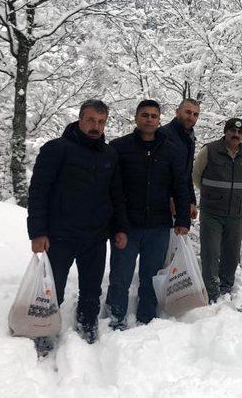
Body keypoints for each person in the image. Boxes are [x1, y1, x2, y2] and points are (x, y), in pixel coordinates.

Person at [27, 99, 129, 349]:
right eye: (91, 120)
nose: (96, 126)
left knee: (91, 289)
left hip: (95, 236)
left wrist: (120, 227)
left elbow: (116, 194)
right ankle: (44, 330)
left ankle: (87, 323)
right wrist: (38, 232)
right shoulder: (57, 149)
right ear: (80, 119)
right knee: (54, 290)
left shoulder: (109, 155)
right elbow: (38, 192)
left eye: (101, 122)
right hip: (60, 235)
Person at [105, 99, 191, 330]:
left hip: (158, 225)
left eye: (154, 116)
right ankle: (115, 319)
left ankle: (147, 320)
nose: (149, 119)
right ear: (136, 118)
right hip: (126, 226)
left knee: (150, 277)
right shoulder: (118, 147)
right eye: (145, 115)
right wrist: (113, 222)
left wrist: (183, 219)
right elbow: (109, 188)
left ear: (159, 119)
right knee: (120, 276)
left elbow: (181, 186)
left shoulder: (172, 150)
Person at [193, 118, 242, 303]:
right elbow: (196, 176)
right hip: (212, 212)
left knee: (232, 253)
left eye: (240, 133)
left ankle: (225, 288)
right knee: (211, 253)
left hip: (235, 213)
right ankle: (211, 293)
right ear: (226, 132)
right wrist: (212, 195)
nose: (235, 135)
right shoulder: (209, 150)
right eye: (232, 131)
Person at [159, 98, 201, 221]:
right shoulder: (163, 135)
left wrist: (191, 201)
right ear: (177, 112)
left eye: (195, 114)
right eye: (188, 112)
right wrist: (170, 197)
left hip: (181, 201)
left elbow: (186, 173)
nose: (191, 117)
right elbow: (159, 172)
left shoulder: (190, 138)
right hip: (163, 205)